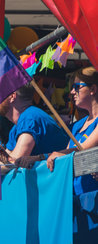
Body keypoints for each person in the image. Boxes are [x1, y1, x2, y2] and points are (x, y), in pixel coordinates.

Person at [17, 67, 98, 195]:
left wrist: (42, 157)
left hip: (92, 199)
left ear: (93, 89)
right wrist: (38, 158)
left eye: (77, 87)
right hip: (72, 198)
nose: (71, 92)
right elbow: (62, 154)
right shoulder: (76, 126)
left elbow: (82, 149)